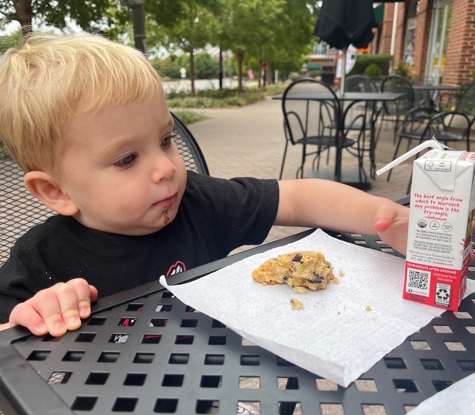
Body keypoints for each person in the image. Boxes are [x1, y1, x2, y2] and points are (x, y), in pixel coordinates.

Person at [0, 34, 409, 337]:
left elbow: (300, 197)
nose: (165, 168)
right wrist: (31, 316)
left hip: (208, 383)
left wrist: (381, 216)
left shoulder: (196, 202)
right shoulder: (41, 260)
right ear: (56, 192)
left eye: (165, 140)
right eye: (127, 159)